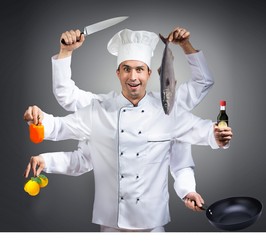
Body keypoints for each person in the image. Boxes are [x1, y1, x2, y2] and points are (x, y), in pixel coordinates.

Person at [24, 27, 232, 232]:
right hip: (110, 223)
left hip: (153, 223)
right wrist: (39, 119)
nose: (133, 77)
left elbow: (200, 134)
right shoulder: (99, 109)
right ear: (118, 73)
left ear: (149, 74)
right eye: (126, 69)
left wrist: (217, 137)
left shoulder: (167, 110)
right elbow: (62, 130)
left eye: (139, 69)